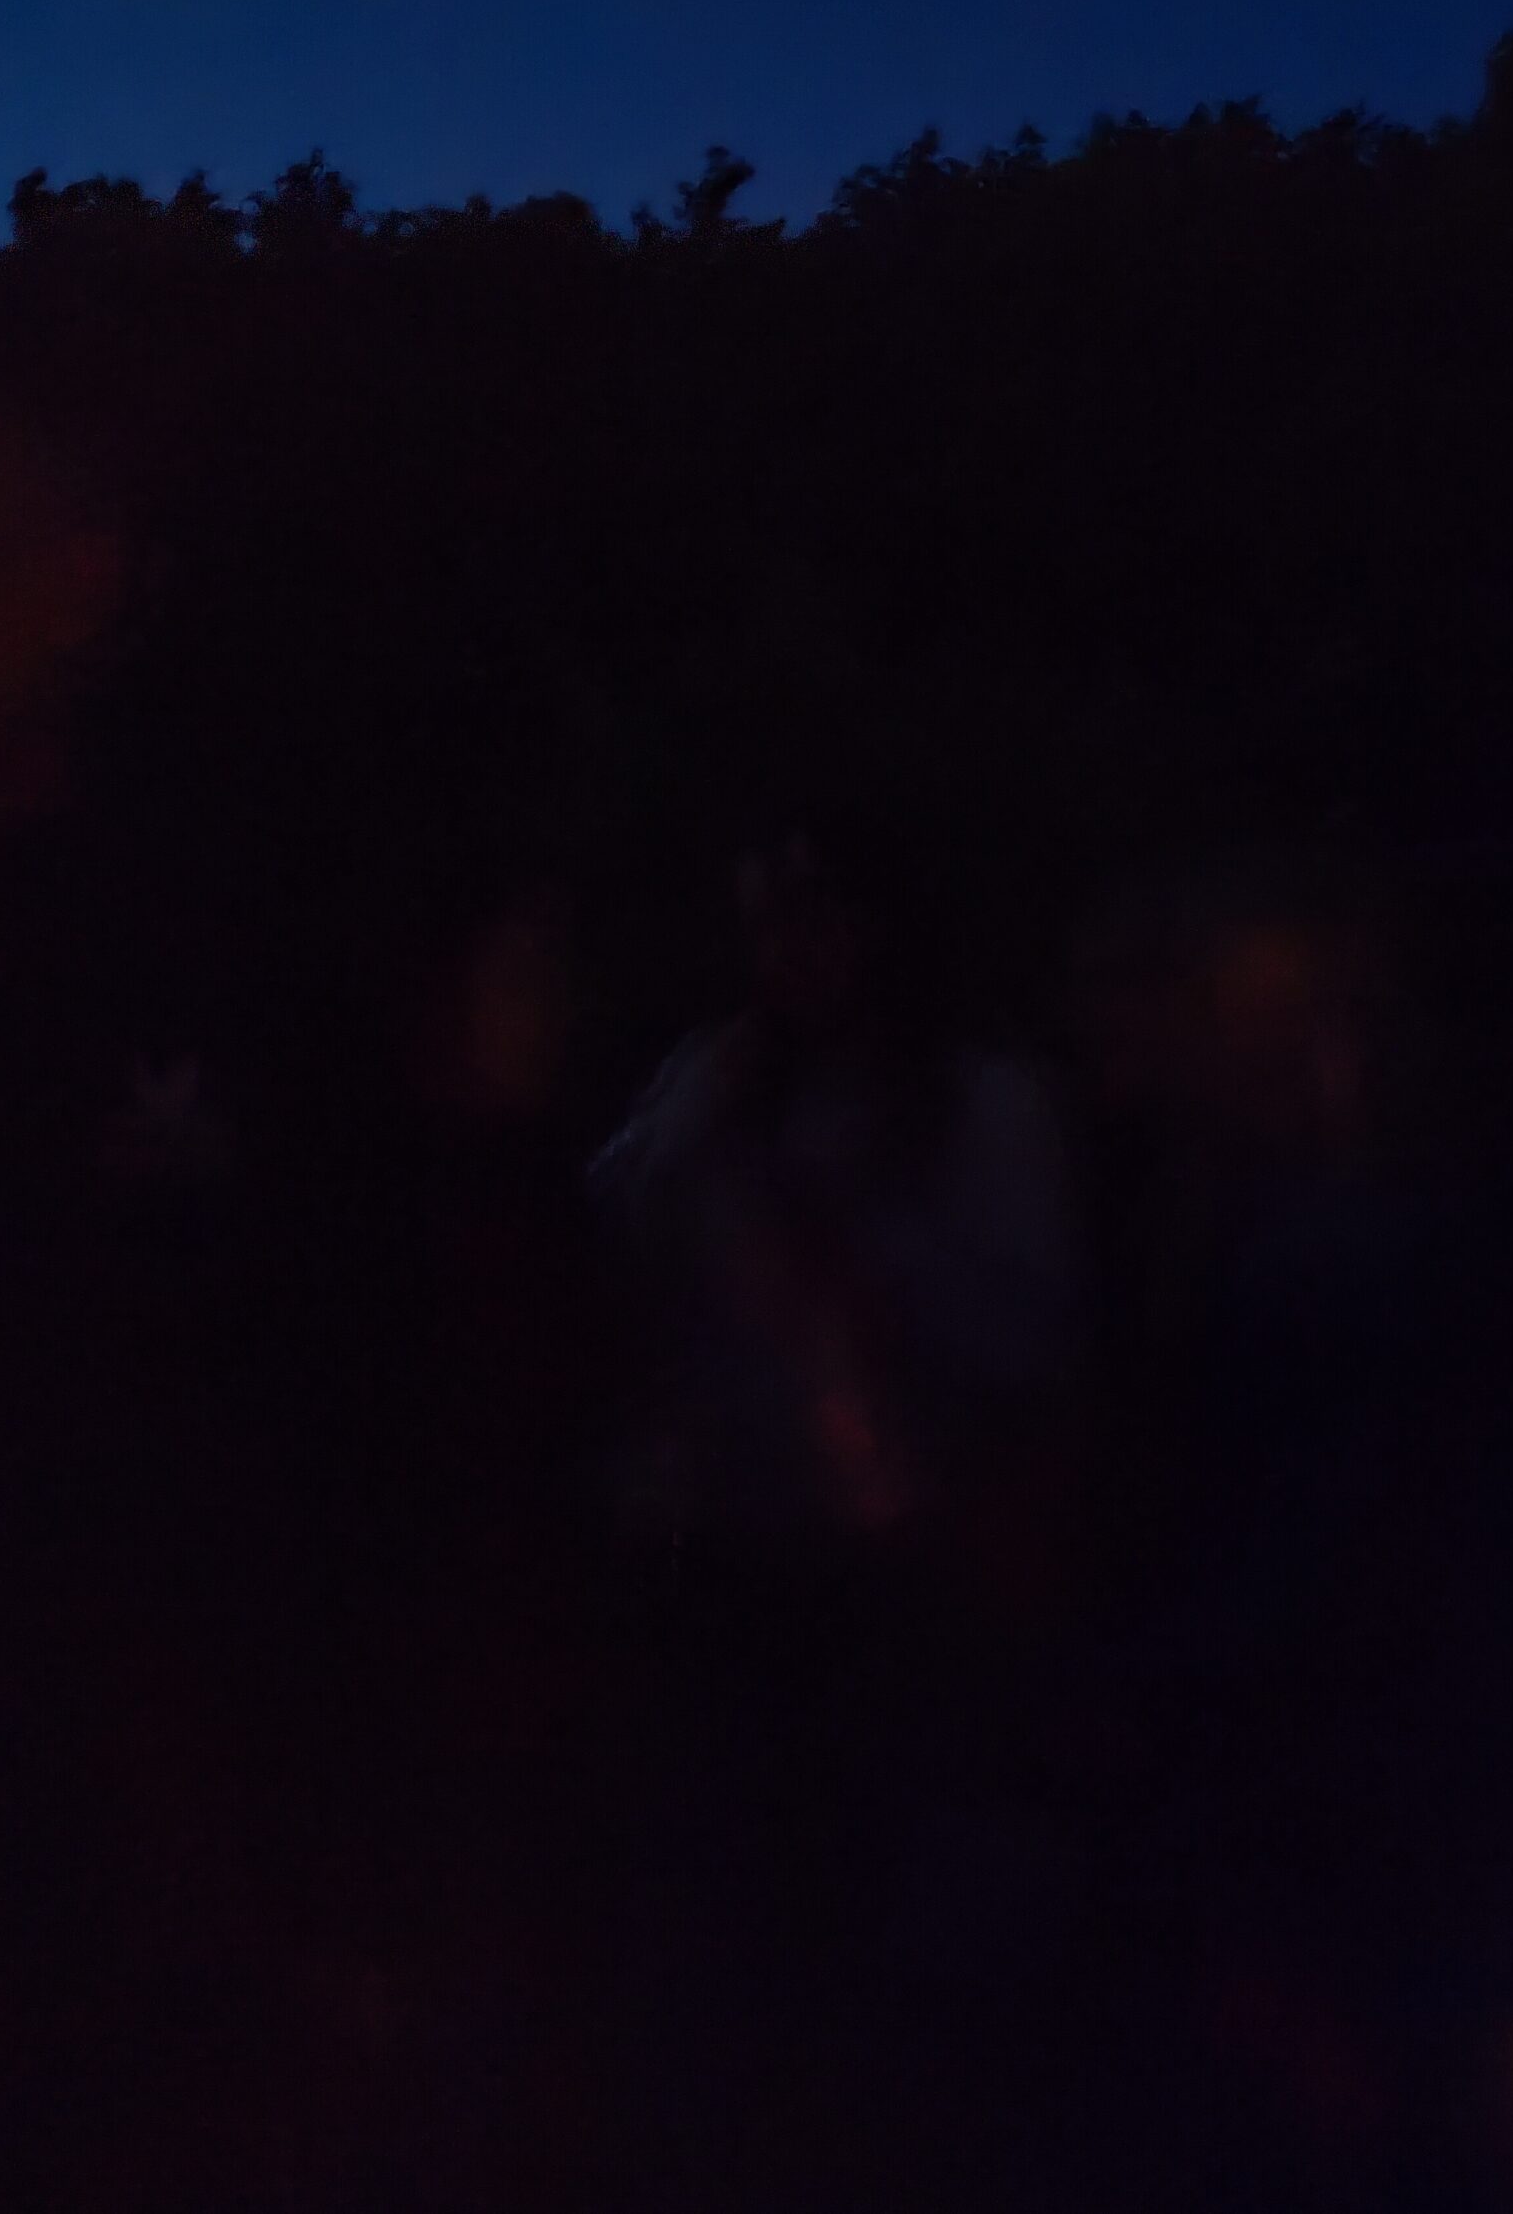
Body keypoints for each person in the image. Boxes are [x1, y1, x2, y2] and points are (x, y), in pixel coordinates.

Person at [591, 818, 1090, 2208]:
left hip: (919, 1575)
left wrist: (854, 1276)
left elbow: (1026, 1340)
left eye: (815, 918)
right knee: (764, 1905)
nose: (789, 955)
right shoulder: (724, 1084)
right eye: (766, 924)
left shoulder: (983, 1106)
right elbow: (617, 1215)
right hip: (742, 1563)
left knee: (909, 1910)